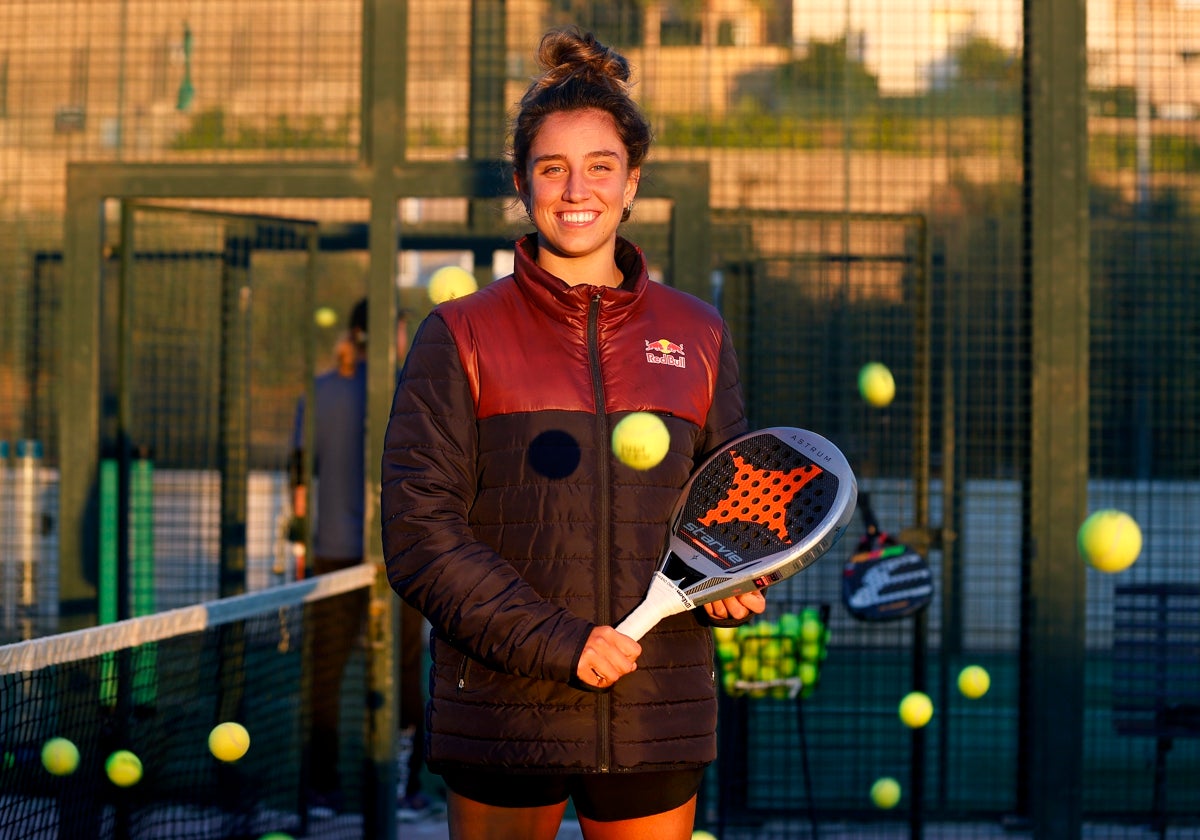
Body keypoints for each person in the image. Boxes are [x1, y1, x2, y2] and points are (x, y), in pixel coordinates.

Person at [380, 26, 765, 840]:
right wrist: (560, 642)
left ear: (632, 184)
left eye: (601, 166)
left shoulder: (699, 333)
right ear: (522, 183)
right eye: (552, 168)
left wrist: (735, 583)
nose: (576, 188)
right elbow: (419, 537)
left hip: (653, 708)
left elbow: (733, 509)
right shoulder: (459, 334)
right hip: (503, 711)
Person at [289, 300, 434, 817]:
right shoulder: (418, 392)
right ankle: (402, 791)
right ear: (389, 335)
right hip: (402, 559)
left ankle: (323, 791)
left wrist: (299, 542)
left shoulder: (321, 391)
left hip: (334, 559)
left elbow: (300, 479)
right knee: (406, 675)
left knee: (324, 677)